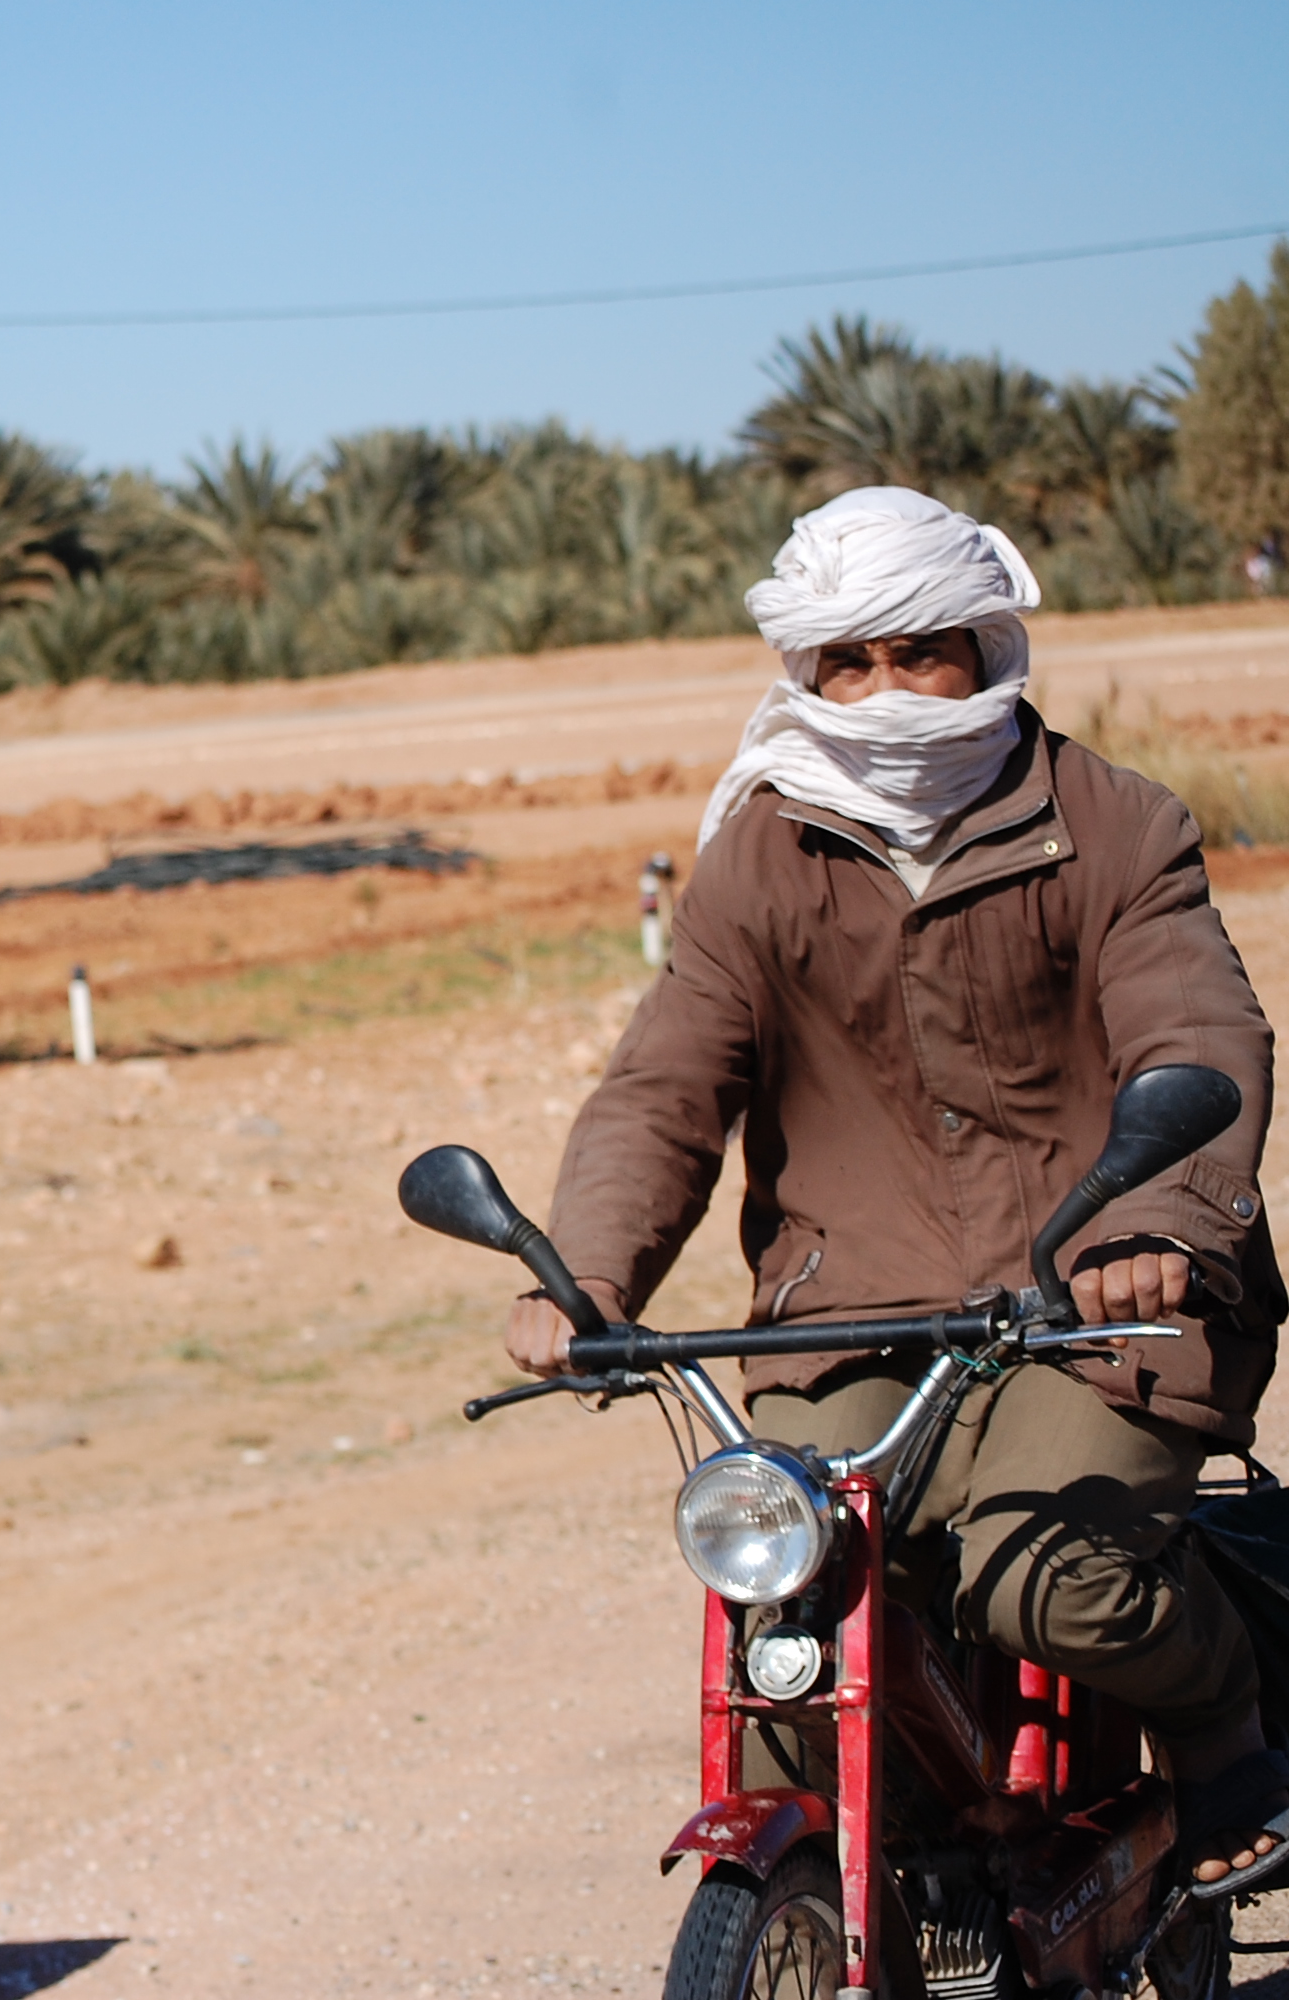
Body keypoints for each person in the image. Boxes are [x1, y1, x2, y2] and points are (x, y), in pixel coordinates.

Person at [504, 486, 1289, 1893]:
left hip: (1099, 1302)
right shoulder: (760, 858)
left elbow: (1194, 1032)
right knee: (792, 1593)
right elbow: (665, 1085)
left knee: (1045, 1575)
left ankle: (1229, 1731)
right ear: (805, 672)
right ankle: (865, 1886)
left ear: (986, 647)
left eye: (920, 653)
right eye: (848, 663)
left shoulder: (1116, 825)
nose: (885, 693)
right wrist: (587, 1275)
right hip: (856, 1306)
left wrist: (1157, 1224)